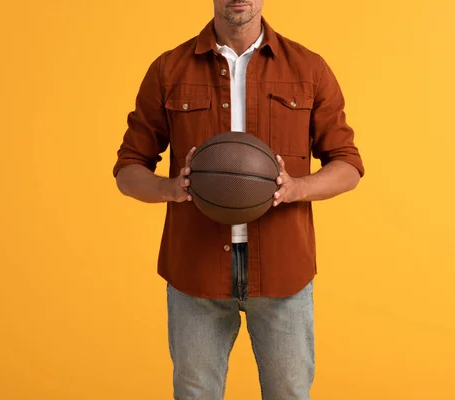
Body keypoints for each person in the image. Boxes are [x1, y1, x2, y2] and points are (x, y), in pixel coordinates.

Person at [112, 1, 365, 398]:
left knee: (290, 394)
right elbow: (128, 169)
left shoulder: (308, 68)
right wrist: (172, 187)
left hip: (284, 272)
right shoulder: (169, 69)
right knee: (195, 394)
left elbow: (348, 165)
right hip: (194, 272)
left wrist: (294, 188)